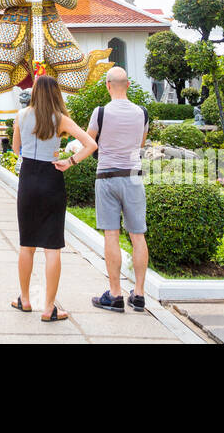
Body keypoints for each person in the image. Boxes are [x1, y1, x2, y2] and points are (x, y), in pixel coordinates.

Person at [11, 74, 97, 323]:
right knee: (52, 246)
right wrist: (69, 161)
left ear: (35, 92)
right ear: (55, 93)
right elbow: (90, 144)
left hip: (28, 178)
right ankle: (49, 308)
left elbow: (17, 150)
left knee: (27, 244)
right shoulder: (60, 119)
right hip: (52, 178)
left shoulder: (21, 116)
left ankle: (25, 300)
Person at [87, 66, 150, 312]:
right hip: (134, 177)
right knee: (137, 236)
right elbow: (141, 142)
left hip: (107, 177)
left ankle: (115, 294)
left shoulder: (101, 112)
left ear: (107, 85)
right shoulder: (142, 113)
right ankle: (139, 294)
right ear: (128, 85)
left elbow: (90, 142)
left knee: (111, 235)